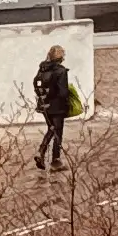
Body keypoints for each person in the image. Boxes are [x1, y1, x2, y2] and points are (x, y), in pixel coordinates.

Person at [30, 42, 81, 170]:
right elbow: (63, 92)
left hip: (44, 105)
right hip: (57, 106)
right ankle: (55, 160)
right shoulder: (61, 71)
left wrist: (43, 97)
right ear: (61, 57)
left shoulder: (42, 68)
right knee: (57, 131)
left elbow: (36, 83)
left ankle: (41, 153)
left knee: (51, 128)